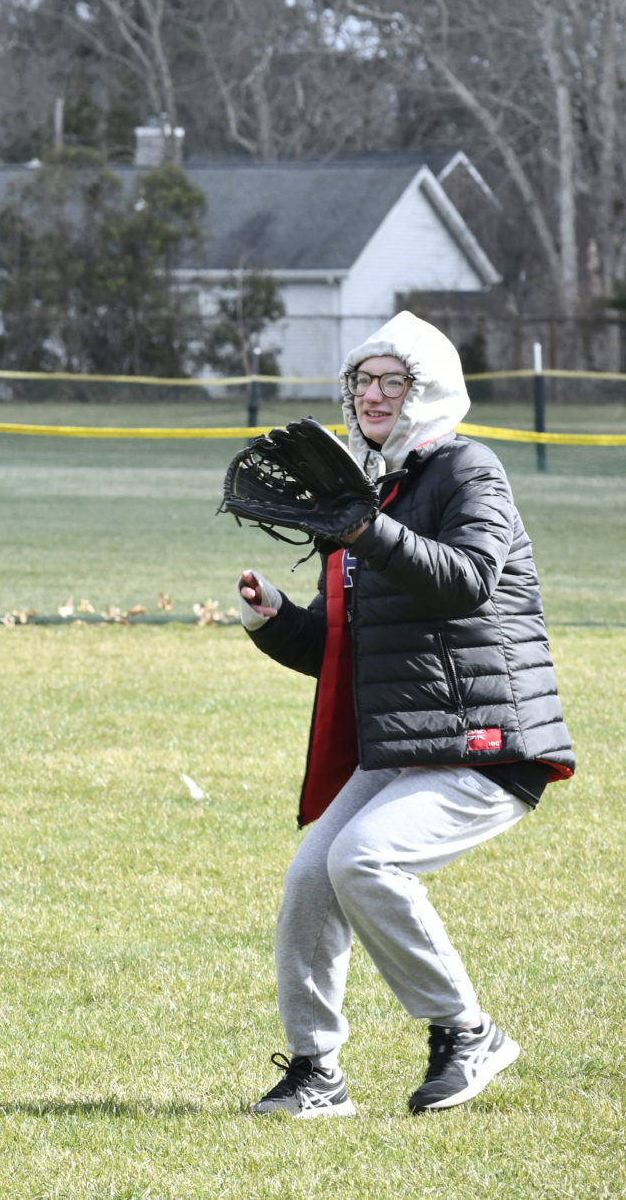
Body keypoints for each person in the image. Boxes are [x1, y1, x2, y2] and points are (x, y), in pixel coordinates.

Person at [238, 312, 573, 1120]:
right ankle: (317, 1073)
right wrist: (275, 616)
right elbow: (345, 649)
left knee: (364, 860)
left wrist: (369, 528)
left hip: (488, 742)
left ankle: (468, 1031)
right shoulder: (365, 492)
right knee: (313, 879)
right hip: (410, 743)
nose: (376, 394)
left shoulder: (469, 469)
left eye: (395, 380)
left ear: (428, 390)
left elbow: (466, 580)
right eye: (364, 380)